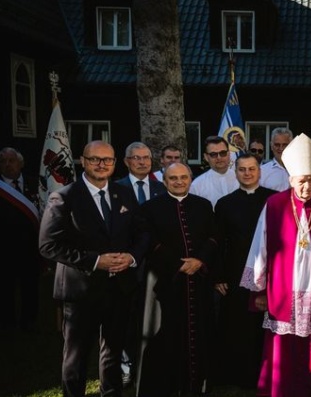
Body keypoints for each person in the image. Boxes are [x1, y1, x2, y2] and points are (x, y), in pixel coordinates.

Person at [240, 133, 311, 397]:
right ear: (291, 180)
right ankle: (282, 387)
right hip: (282, 289)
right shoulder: (274, 205)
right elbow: (260, 248)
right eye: (302, 182)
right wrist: (258, 290)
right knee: (284, 345)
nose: (307, 187)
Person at [38, 140, 149, 397]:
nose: (101, 165)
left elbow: (142, 232)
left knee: (112, 351)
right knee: (76, 355)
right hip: (81, 290)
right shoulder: (64, 196)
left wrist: (132, 257)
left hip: (119, 286)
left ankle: (110, 393)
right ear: (83, 160)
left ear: (114, 162)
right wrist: (96, 261)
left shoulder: (124, 193)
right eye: (95, 159)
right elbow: (48, 245)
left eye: (107, 160)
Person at [138, 162, 219, 396]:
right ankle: (168, 385)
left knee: (200, 332)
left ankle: (197, 383)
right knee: (168, 337)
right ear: (164, 182)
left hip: (199, 282)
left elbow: (214, 237)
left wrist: (199, 261)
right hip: (167, 282)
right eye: (173, 178)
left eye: (184, 177)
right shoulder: (151, 208)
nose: (179, 182)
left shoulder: (203, 206)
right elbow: (150, 241)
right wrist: (179, 265)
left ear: (191, 179)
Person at [213, 153, 276, 388]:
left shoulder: (274, 200)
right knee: (238, 326)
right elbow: (219, 243)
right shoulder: (224, 204)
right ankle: (239, 377)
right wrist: (218, 275)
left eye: (251, 169)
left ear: (259, 171)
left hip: (271, 272)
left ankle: (268, 373)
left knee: (266, 324)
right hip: (236, 273)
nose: (247, 173)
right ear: (235, 172)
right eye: (242, 169)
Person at [114, 141, 166, 385]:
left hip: (155, 265)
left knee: (152, 317)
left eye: (146, 157)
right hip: (125, 263)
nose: (142, 162)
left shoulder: (161, 187)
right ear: (126, 162)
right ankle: (125, 363)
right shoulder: (115, 188)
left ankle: (152, 362)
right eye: (136, 158)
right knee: (124, 316)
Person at [0, 147, 41, 333]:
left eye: (12, 160)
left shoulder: (36, 184)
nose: (8, 165)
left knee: (30, 288)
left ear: (21, 163)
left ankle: (29, 322)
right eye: (3, 161)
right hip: (3, 250)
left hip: (31, 249)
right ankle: (7, 325)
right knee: (4, 291)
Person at [190, 135, 239, 208]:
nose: (219, 158)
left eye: (223, 153)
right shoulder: (197, 185)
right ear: (206, 157)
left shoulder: (241, 179)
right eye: (213, 154)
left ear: (229, 154)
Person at [259, 127, 293, 191]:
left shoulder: (300, 170)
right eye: (277, 145)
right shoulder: (262, 171)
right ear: (271, 146)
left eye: (285, 145)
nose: (281, 148)